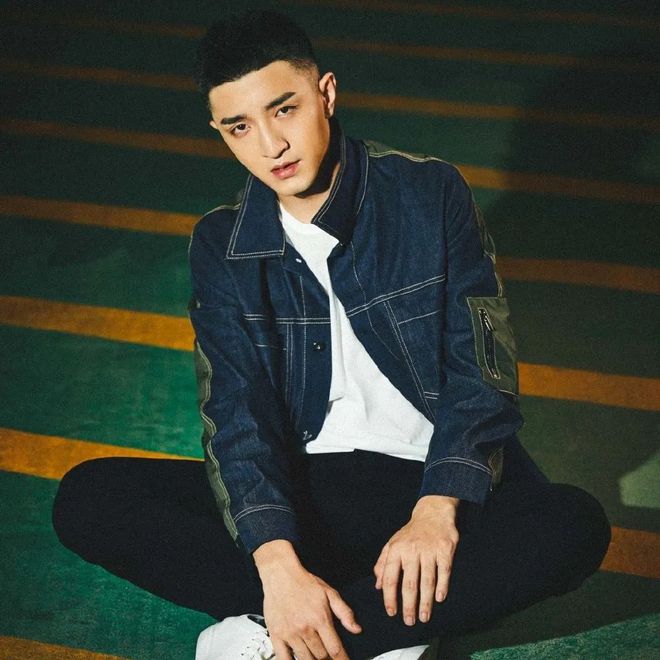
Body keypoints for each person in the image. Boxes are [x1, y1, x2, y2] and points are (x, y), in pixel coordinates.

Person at [52, 10, 611, 660]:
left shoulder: (427, 193)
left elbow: (480, 371)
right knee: (90, 498)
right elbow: (237, 416)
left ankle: (284, 635)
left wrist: (437, 510)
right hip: (308, 494)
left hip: (425, 480)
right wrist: (276, 563)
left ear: (326, 94)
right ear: (220, 132)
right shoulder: (223, 243)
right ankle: (377, 621)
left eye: (284, 110)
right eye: (240, 127)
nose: (270, 145)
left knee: (573, 524)